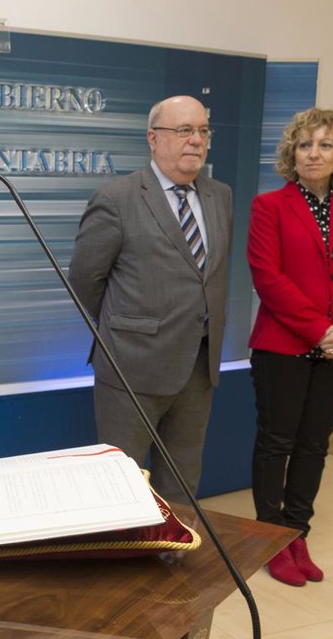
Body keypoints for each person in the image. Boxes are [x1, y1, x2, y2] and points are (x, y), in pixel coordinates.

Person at [69, 95, 233, 499]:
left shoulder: (221, 196)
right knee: (118, 487)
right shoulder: (116, 198)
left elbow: (208, 278)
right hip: (132, 368)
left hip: (197, 368)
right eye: (184, 130)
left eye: (203, 131)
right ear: (153, 139)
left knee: (182, 486)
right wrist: (129, 328)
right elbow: (85, 280)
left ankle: (175, 541)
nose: (196, 140)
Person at [248, 107, 333, 586]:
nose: (313, 153)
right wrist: (321, 331)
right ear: (292, 153)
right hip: (282, 345)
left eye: (325, 144)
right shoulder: (269, 206)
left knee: (314, 444)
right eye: (304, 144)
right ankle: (270, 538)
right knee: (276, 442)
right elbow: (268, 277)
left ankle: (297, 533)